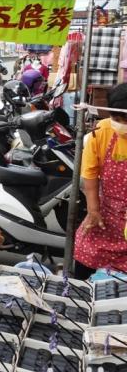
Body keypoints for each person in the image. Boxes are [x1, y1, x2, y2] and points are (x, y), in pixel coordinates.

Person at [75, 83, 127, 273]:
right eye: (116, 119)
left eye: (125, 120)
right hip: (105, 214)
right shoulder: (102, 132)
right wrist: (93, 210)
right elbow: (90, 174)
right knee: (85, 253)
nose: (120, 125)